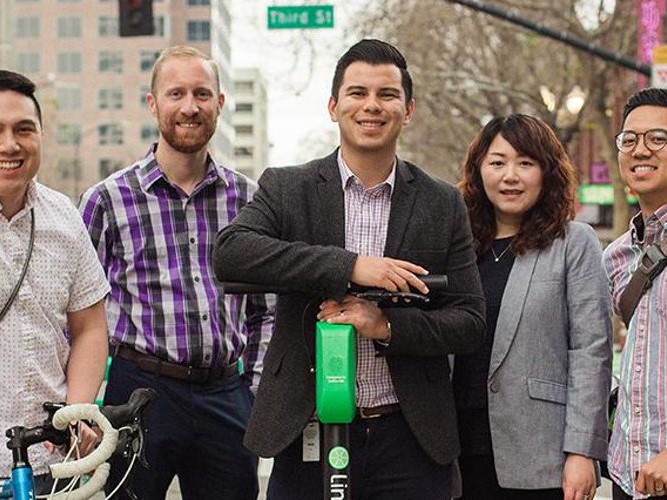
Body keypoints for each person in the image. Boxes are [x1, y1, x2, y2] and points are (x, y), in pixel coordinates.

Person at [213, 39, 486, 499]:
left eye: (387, 94)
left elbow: (469, 322)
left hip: (409, 436)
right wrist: (352, 267)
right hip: (307, 431)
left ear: (408, 108)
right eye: (358, 93)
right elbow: (231, 253)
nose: (372, 106)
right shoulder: (287, 187)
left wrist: (384, 324)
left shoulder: (442, 202)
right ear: (334, 106)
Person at [78, 46, 275, 500]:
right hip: (137, 395)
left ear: (220, 103)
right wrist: (88, 404)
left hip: (226, 394)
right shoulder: (106, 201)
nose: (190, 106)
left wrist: (254, 393)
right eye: (176, 93)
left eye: (202, 94)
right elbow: (79, 316)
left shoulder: (250, 200)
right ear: (154, 104)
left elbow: (268, 308)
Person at [454, 113, 612, 500]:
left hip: (541, 457)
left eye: (526, 163)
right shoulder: (456, 247)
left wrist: (581, 452)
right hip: (456, 453)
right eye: (497, 162)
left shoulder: (574, 243)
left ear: (546, 172)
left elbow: (592, 352)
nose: (511, 176)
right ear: (479, 171)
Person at [0, 70, 109, 492]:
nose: (10, 144)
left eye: (23, 129)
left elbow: (90, 327)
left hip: (49, 463)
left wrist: (77, 410)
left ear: (41, 136)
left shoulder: (65, 216)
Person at [604, 88, 667, 499]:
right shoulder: (616, 257)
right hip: (629, 475)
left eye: (658, 138)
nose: (641, 149)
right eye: (630, 139)